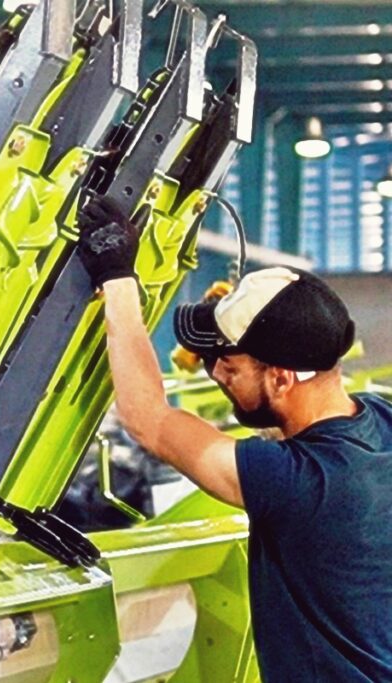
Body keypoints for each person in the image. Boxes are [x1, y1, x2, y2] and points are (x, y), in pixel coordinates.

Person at [75, 195, 392, 682]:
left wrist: (117, 278)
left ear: (281, 378)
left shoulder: (294, 482)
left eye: (231, 366)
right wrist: (230, 335)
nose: (217, 373)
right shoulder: (379, 420)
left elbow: (148, 421)